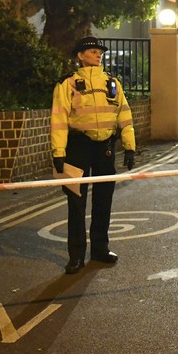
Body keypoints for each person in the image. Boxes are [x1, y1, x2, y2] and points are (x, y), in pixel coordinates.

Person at [51, 36, 136, 275]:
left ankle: (100, 248)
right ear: (80, 55)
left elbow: (124, 116)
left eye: (100, 51)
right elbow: (58, 118)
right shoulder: (67, 83)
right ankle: (76, 255)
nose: (98, 54)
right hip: (77, 146)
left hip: (104, 148)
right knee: (76, 202)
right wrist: (58, 152)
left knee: (103, 199)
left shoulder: (112, 83)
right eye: (93, 51)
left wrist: (129, 147)